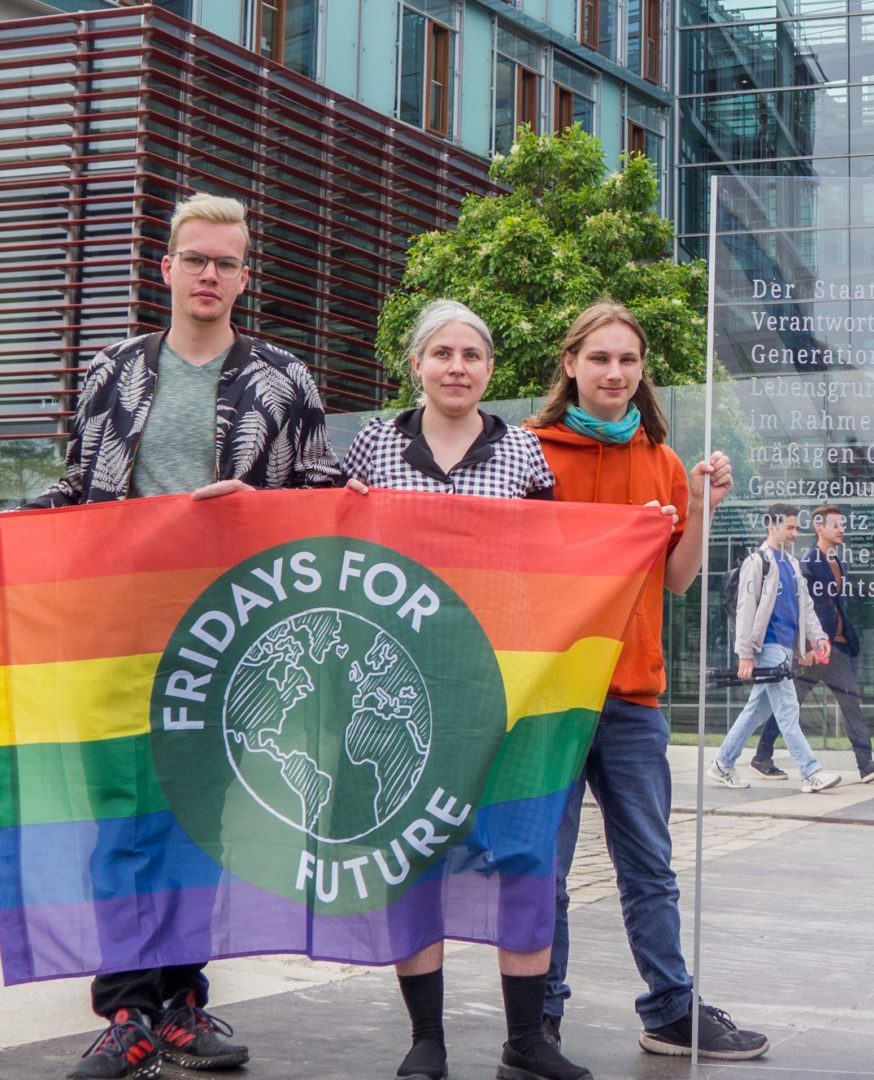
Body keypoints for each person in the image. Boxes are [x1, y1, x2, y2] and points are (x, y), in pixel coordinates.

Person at [0, 193, 344, 1080]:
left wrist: (260, 507)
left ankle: (182, 1005)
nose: (209, 274)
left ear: (246, 275)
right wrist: (0, 530)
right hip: (118, 633)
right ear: (164, 268)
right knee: (120, 819)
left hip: (232, 639)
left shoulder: (284, 379)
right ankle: (127, 1007)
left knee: (203, 824)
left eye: (226, 262)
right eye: (195, 258)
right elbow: (79, 488)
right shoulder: (114, 370)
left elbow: (326, 498)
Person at [341, 297, 591, 1080]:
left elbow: (556, 557)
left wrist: (650, 525)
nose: (457, 367)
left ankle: (527, 1040)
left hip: (507, 688)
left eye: (472, 355)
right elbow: (333, 550)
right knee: (413, 856)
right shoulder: (372, 446)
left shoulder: (521, 453)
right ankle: (428, 1039)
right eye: (442, 353)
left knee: (523, 854)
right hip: (398, 687)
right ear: (416, 363)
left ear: (489, 370)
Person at [525, 301, 769, 1061]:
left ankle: (669, 1008)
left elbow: (678, 581)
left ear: (642, 372)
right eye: (600, 359)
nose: (614, 373)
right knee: (546, 871)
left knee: (649, 868)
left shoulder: (663, 462)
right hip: (550, 698)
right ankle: (540, 1015)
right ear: (570, 365)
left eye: (627, 361)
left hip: (632, 697)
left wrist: (699, 510)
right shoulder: (529, 452)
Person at [749, 505, 874, 784]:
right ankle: (762, 756)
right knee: (790, 706)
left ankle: (865, 764)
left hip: (836, 647)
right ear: (820, 528)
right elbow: (802, 608)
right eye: (836, 525)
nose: (842, 529)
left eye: (843, 524)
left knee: (847, 702)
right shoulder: (808, 563)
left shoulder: (838, 563)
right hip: (816, 651)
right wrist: (805, 647)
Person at [706, 504, 840, 793]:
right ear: (772, 526)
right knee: (788, 710)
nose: (794, 533)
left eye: (795, 527)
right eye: (789, 527)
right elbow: (745, 608)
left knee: (756, 711)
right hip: (767, 646)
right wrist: (745, 653)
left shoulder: (791, 565)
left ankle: (721, 763)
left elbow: (805, 607)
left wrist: (817, 638)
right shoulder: (758, 562)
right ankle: (810, 771)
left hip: (783, 648)